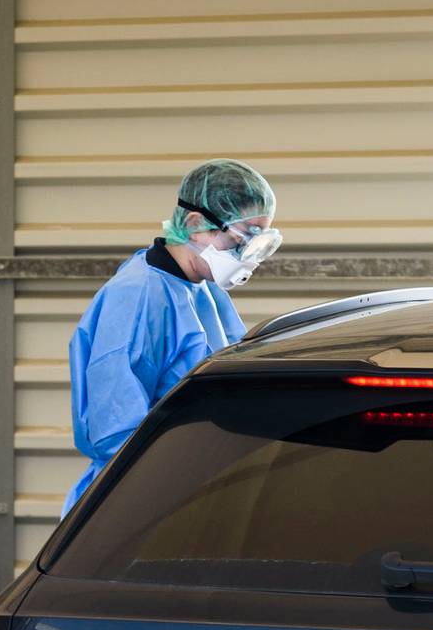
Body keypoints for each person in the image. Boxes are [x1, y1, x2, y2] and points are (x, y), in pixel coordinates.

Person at [62, 159, 283, 514]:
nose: (246, 257)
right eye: (241, 240)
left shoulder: (201, 289)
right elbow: (114, 431)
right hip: (133, 501)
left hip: (186, 490)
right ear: (196, 225)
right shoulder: (139, 296)